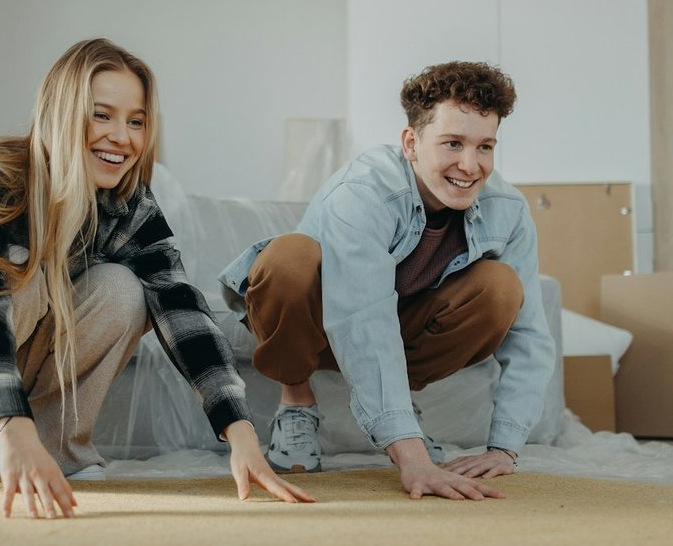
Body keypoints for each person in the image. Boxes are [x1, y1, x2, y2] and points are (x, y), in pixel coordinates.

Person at [0, 38, 312, 518]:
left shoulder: (128, 206)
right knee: (19, 264)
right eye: (102, 115)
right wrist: (12, 426)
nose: (121, 137)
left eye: (136, 121)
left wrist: (240, 431)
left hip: (15, 333)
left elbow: (180, 308)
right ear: (62, 114)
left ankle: (59, 454)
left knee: (125, 290)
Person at [220, 61, 555, 500]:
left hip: (401, 328)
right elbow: (363, 318)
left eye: (485, 147)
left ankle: (402, 416)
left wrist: (505, 448)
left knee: (502, 287)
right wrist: (413, 459)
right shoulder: (365, 191)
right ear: (411, 143)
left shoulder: (507, 210)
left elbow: (529, 335)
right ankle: (297, 402)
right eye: (452, 143)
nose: (470, 165)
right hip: (318, 325)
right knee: (289, 257)